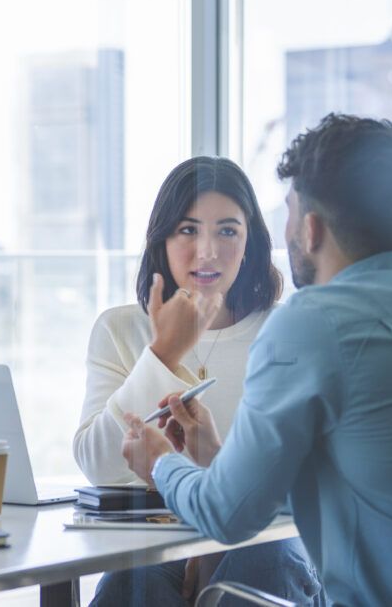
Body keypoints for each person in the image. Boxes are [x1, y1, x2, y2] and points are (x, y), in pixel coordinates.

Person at [120, 114, 392, 606]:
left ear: (312, 227)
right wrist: (217, 459)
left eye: (290, 212)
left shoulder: (312, 323)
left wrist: (161, 464)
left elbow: (225, 517)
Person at [75, 157, 322, 606]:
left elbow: (310, 488)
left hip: (268, 543)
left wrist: (214, 541)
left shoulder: (288, 331)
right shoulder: (120, 329)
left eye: (227, 231)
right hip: (155, 548)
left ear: (250, 243)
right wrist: (162, 353)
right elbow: (98, 464)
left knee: (259, 564)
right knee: (134, 581)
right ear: (162, 240)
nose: (207, 250)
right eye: (188, 230)